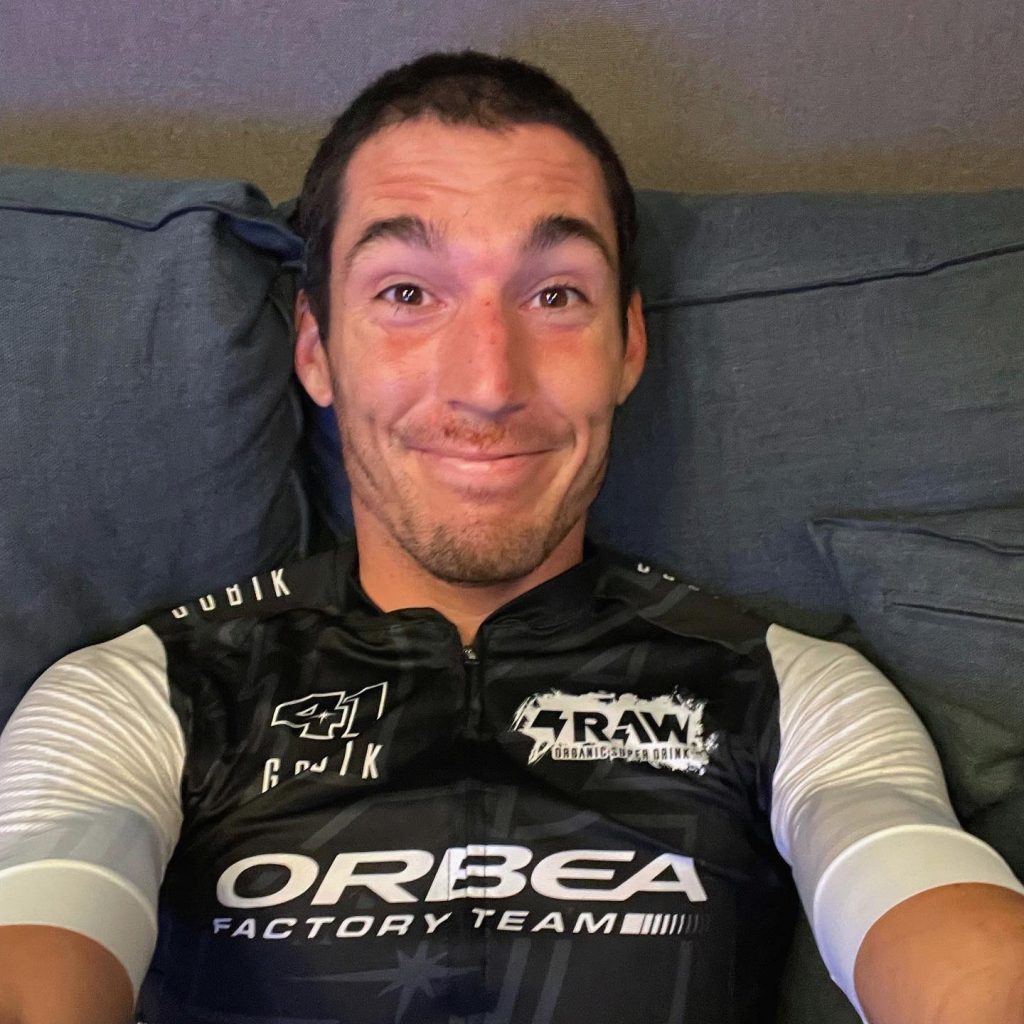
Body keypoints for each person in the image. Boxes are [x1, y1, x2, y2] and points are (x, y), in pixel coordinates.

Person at [0, 51, 1022, 1024]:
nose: (489, 384)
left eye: (555, 294)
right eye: (407, 293)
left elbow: (943, 928)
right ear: (316, 351)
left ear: (627, 346)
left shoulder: (790, 688)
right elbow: (42, 927)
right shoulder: (143, 694)